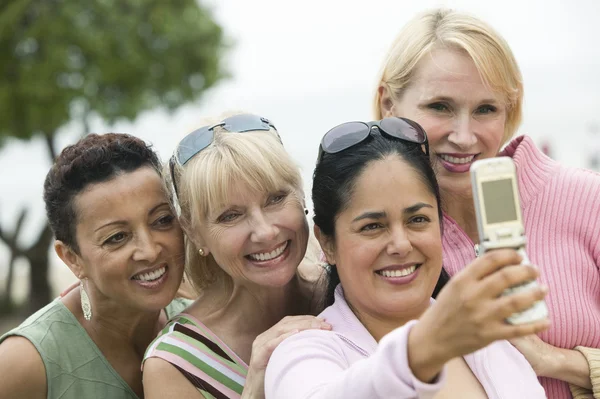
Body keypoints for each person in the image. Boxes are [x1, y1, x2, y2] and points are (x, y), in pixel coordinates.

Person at [373, 8, 600, 398]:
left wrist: (552, 361)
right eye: (440, 107)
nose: (464, 137)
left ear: (509, 110)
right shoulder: (375, 236)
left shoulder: (587, 199)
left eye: (486, 109)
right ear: (389, 105)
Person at [264, 117, 548, 398]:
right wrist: (423, 348)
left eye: (418, 219)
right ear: (327, 243)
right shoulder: (301, 352)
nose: (400, 244)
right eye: (372, 226)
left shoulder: (489, 341)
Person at [142, 113, 329, 399]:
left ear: (302, 194)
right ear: (194, 232)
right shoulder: (174, 363)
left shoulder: (345, 289)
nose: (265, 232)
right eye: (230, 215)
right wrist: (254, 389)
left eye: (276, 199)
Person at [0, 133, 189, 398]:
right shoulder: (25, 363)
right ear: (72, 258)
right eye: (117, 237)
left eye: (162, 220)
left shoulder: (202, 327)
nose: (149, 250)